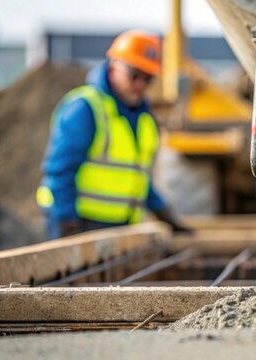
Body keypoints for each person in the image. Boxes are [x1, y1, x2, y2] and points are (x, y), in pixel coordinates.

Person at [37, 30, 190, 239]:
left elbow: (136, 176)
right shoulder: (86, 109)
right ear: (114, 65)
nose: (140, 85)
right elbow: (60, 171)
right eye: (134, 75)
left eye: (148, 79)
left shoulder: (144, 119)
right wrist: (67, 221)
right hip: (81, 224)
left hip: (121, 227)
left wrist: (163, 212)